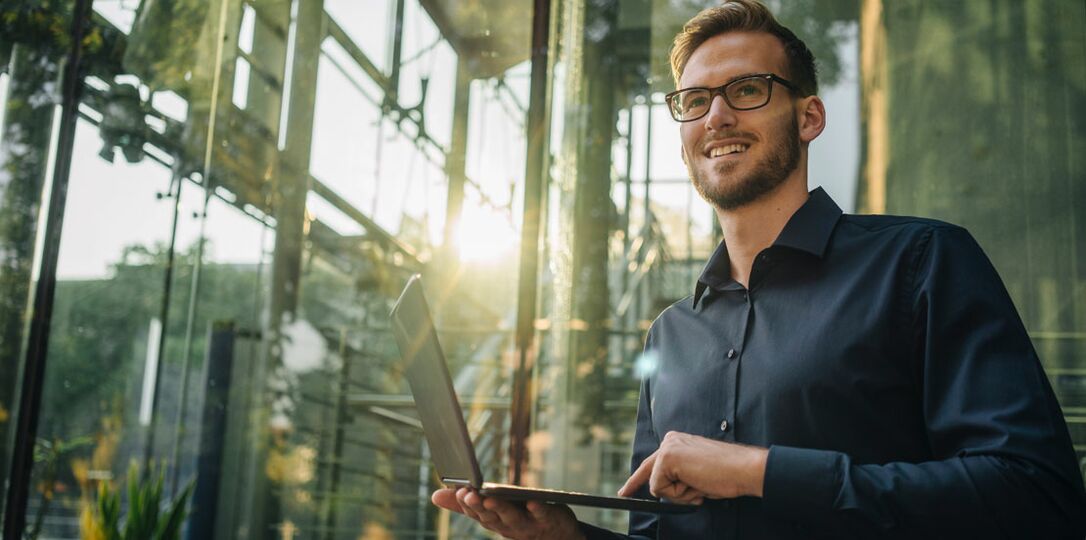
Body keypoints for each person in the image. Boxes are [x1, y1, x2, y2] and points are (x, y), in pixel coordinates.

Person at [431, 1, 1086, 538]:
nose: (716, 115)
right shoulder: (670, 336)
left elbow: (1037, 497)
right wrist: (566, 538)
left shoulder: (921, 262)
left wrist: (758, 471)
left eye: (746, 90)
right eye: (694, 100)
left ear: (808, 117)